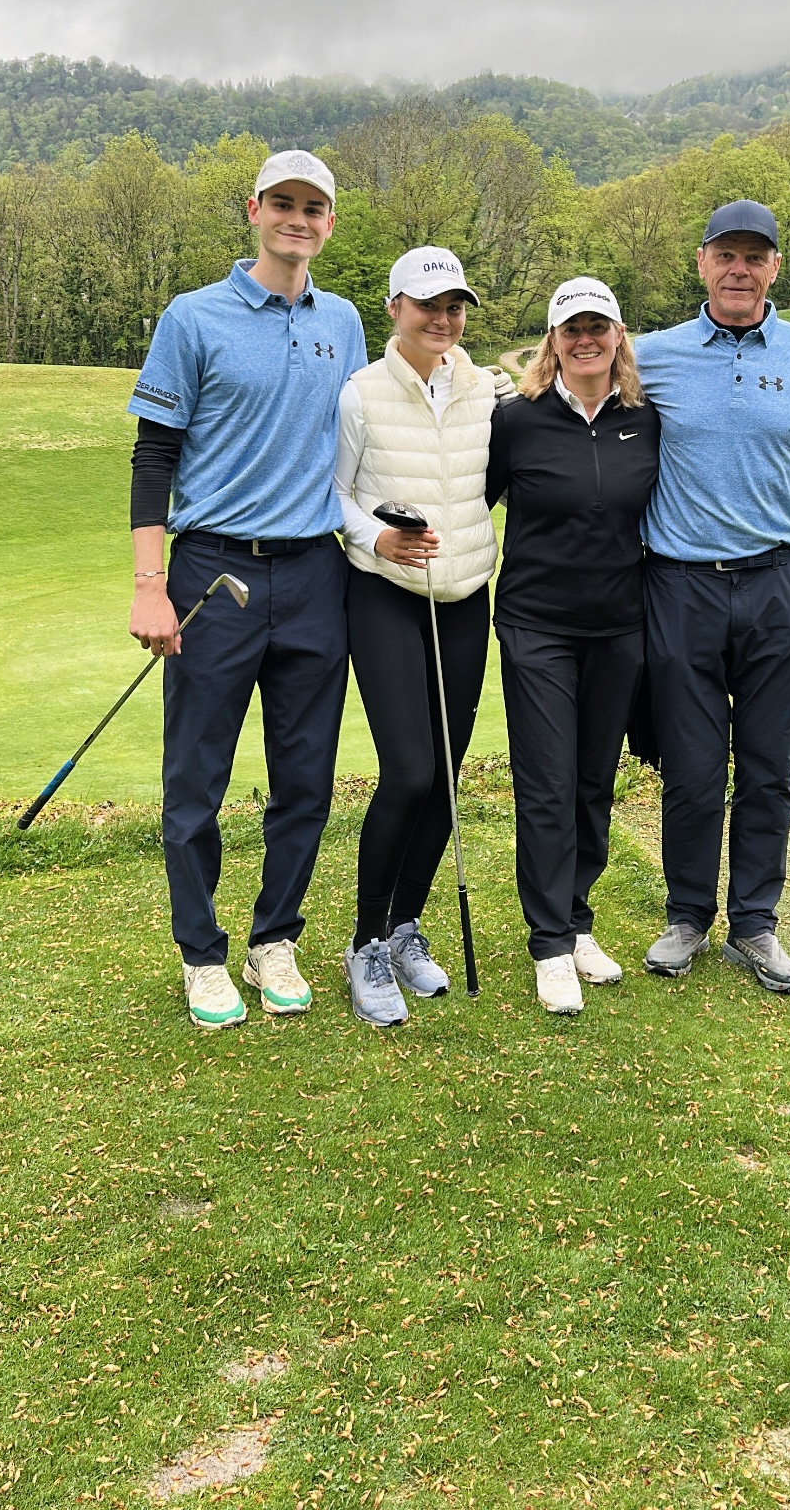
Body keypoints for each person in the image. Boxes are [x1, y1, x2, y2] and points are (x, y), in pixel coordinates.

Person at [127, 150, 367, 1030]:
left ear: (329, 222)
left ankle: (276, 939)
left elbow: (361, 439)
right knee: (196, 778)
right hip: (211, 571)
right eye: (283, 203)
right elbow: (154, 456)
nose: (298, 219)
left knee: (305, 777)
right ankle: (201, 954)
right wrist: (150, 585)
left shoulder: (343, 320)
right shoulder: (193, 316)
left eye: (314, 207)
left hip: (314, 572)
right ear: (255, 210)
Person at [633, 200, 790, 995]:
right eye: (725, 255)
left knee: (768, 769)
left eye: (754, 257)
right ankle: (688, 916)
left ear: (774, 268)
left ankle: (755, 925)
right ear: (701, 262)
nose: (739, 269)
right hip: (679, 586)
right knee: (691, 771)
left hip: (778, 585)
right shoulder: (650, 356)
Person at [486, 279, 661, 1016]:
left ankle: (578, 919)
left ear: (618, 336)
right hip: (536, 626)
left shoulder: (645, 419)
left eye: (598, 326)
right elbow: (471, 504)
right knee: (548, 784)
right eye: (571, 329)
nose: (585, 339)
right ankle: (549, 943)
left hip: (620, 627)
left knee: (593, 782)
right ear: (552, 342)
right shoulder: (515, 420)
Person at [335, 247, 499, 1027]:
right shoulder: (361, 393)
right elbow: (333, 490)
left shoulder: (486, 390)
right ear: (395, 307)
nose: (443, 319)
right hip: (386, 596)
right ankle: (365, 943)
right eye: (428, 305)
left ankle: (405, 928)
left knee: (444, 779)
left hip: (464, 597)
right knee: (408, 772)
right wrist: (376, 537)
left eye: (454, 306)